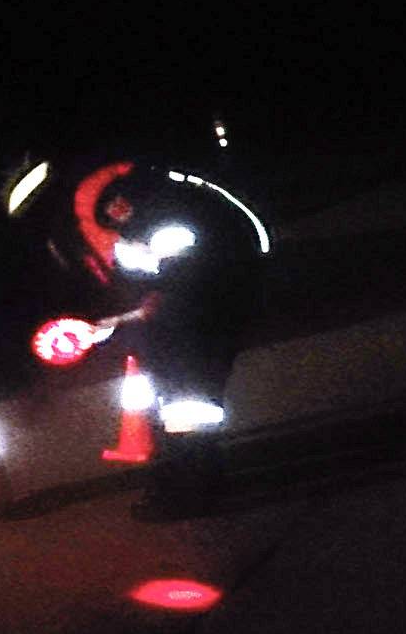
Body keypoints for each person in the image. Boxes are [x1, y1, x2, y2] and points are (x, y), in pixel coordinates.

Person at [63, 156, 269, 516]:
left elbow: (178, 278)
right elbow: (145, 282)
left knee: (187, 405)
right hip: (201, 313)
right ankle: (200, 482)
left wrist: (136, 312)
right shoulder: (152, 197)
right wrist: (120, 317)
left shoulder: (158, 211)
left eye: (116, 213)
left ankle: (190, 493)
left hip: (202, 315)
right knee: (189, 403)